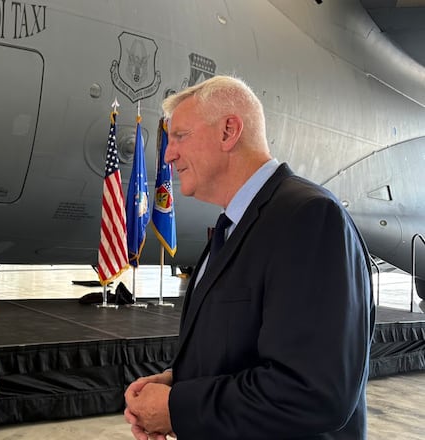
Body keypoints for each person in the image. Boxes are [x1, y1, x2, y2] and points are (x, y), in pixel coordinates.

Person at [124, 76, 374, 439]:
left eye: (179, 136)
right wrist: (178, 382)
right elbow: (242, 348)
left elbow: (313, 393)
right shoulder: (233, 227)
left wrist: (178, 409)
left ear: (229, 131)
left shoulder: (309, 217)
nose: (168, 155)